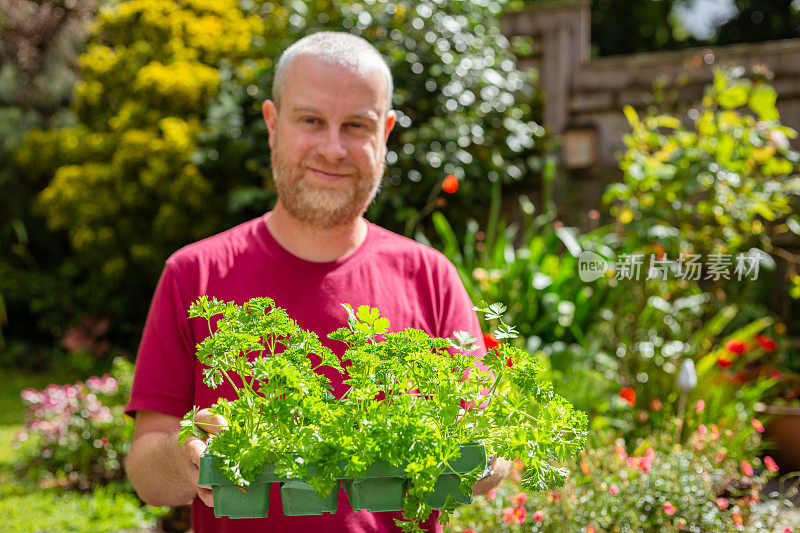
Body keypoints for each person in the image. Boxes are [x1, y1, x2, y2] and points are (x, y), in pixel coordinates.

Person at [124, 31, 509, 533]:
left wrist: (485, 459)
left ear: (385, 133)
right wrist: (185, 457)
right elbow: (146, 471)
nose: (332, 148)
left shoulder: (431, 276)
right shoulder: (195, 274)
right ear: (272, 123)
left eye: (356, 126)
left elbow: (488, 449)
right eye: (311, 120)